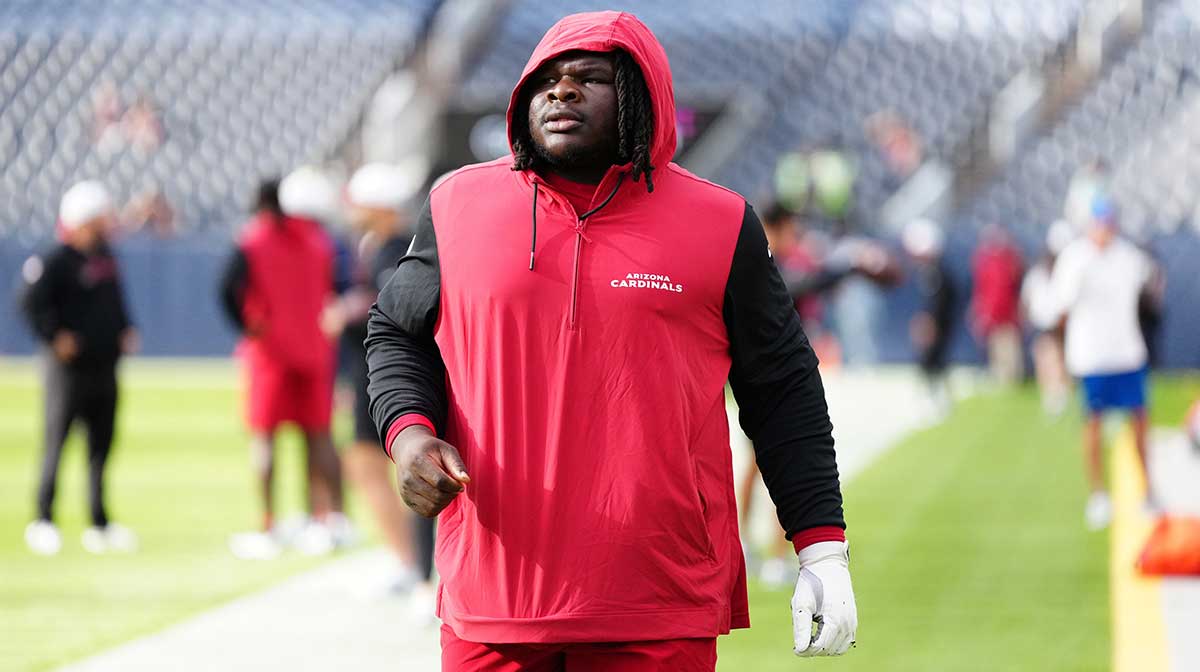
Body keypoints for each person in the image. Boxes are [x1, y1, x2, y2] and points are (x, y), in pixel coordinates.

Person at [367, 12, 857, 669]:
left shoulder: (720, 222)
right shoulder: (457, 204)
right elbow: (397, 332)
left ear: (641, 97)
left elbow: (783, 390)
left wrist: (821, 546)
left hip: (658, 605)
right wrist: (409, 434)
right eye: (546, 80)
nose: (560, 92)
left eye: (588, 79)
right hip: (494, 600)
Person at [324, 161, 438, 608]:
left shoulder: (394, 248)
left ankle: (414, 565)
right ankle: (406, 562)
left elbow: (393, 311)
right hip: (369, 370)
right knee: (369, 466)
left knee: (388, 466)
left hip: (386, 375)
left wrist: (349, 313)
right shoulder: (377, 245)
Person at [218, 179, 345, 558]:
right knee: (319, 436)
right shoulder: (319, 241)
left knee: (265, 439)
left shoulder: (252, 240)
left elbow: (226, 289)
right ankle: (324, 519)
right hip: (314, 348)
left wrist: (249, 325)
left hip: (269, 353)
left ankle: (270, 524)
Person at [22, 180, 139, 555]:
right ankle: (44, 518)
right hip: (68, 372)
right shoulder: (55, 261)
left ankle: (99, 521)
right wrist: (55, 336)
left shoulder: (105, 258)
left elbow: (116, 302)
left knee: (100, 447)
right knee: (57, 443)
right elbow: (29, 304)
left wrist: (125, 329)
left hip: (105, 366)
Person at [1051, 197, 1158, 529]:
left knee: (1140, 423)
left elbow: (1151, 281)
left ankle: (1148, 490)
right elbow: (1061, 306)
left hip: (1127, 354)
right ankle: (1098, 494)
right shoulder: (1075, 259)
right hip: (1093, 358)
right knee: (1092, 424)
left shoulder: (1128, 256)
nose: (1104, 230)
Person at [903, 218, 957, 418]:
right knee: (931, 361)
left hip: (938, 323)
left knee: (933, 360)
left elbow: (940, 301)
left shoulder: (937, 272)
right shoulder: (931, 271)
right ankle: (934, 398)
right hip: (936, 322)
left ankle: (936, 400)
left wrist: (931, 321)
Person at [1021, 220, 1074, 416]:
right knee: (1047, 360)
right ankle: (1052, 396)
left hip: (1064, 325)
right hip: (1044, 325)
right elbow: (1028, 299)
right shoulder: (1037, 274)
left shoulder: (1069, 272)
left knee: (1062, 361)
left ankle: (1063, 394)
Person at [971, 224, 1025, 384]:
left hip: (1005, 317)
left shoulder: (1003, 262)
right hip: (999, 317)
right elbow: (982, 291)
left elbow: (1000, 293)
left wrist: (988, 314)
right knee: (999, 355)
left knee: (1007, 356)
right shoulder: (990, 261)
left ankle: (1009, 383)